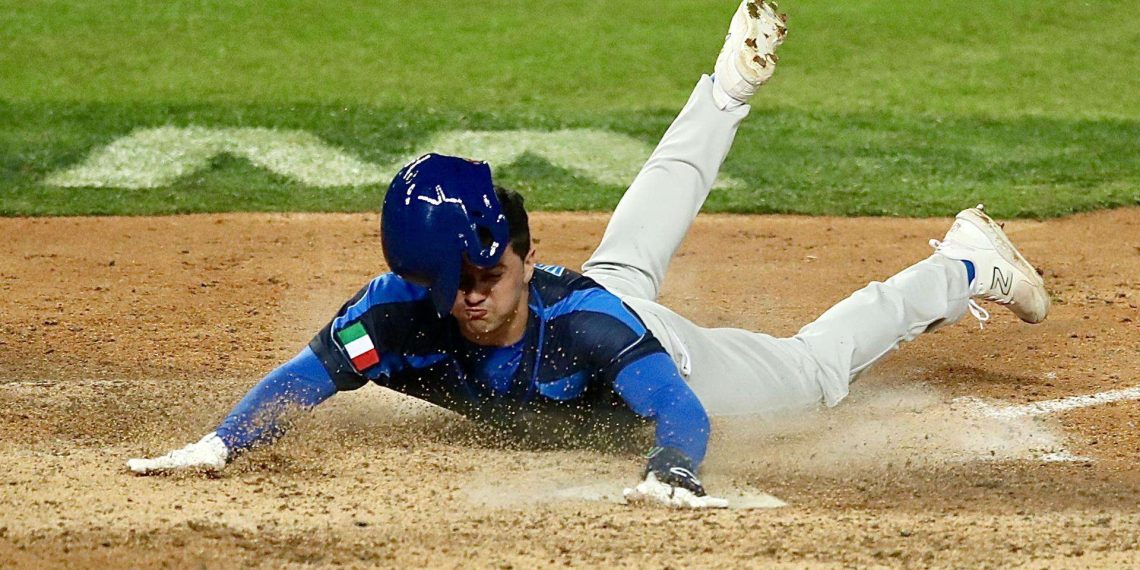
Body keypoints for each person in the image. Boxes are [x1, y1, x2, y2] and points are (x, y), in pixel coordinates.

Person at [127, 0, 1048, 509]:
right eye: (448, 288)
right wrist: (221, 442)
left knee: (809, 374)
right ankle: (726, 88)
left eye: (486, 278)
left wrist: (673, 470)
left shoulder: (590, 331)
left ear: (524, 256)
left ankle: (960, 264)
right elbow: (314, 371)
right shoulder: (402, 311)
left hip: (647, 337)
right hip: (590, 296)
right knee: (631, 248)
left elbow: (680, 411)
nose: (467, 303)